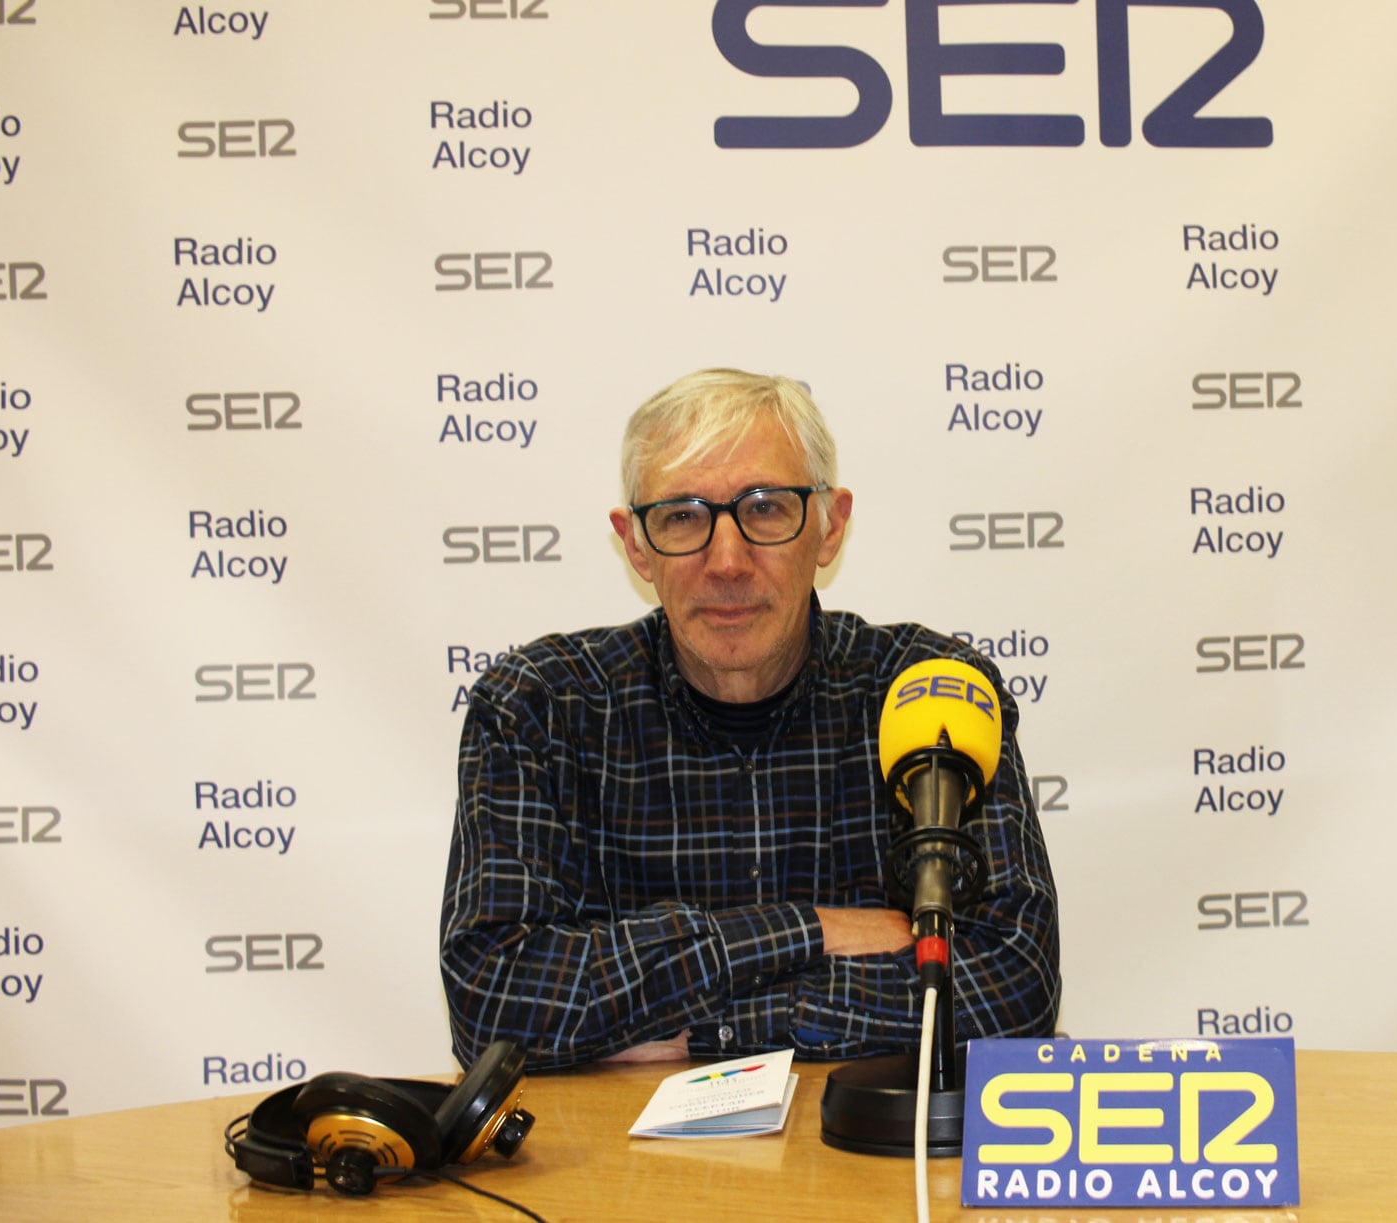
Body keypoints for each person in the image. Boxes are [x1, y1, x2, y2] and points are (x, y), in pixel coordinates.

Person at [439, 368, 1060, 1069]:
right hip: (625, 1176)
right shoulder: (541, 708)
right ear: (635, 544)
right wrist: (813, 929)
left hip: (870, 1172)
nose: (727, 561)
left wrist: (701, 1034)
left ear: (830, 526)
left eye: (765, 509)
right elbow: (492, 1001)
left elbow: (1013, 986)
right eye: (682, 516)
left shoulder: (930, 693)